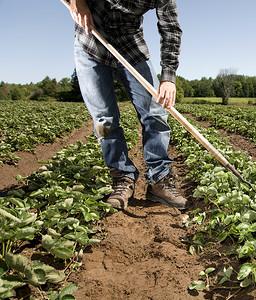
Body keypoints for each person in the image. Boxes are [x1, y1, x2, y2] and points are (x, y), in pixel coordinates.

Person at [68, 0, 187, 210]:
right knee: (105, 120)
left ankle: (159, 180)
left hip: (129, 41)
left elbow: (171, 29)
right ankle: (122, 177)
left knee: (154, 112)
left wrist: (168, 76)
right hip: (90, 37)